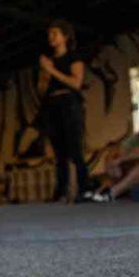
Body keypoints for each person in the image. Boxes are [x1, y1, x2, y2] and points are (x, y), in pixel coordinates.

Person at [37, 20, 90, 202]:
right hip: (51, 105)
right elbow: (41, 90)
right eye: (49, 34)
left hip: (69, 104)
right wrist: (45, 74)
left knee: (75, 148)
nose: (50, 37)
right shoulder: (47, 61)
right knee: (58, 151)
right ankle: (61, 191)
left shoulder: (73, 57)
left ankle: (84, 188)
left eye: (55, 33)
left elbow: (76, 83)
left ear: (65, 36)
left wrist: (51, 70)